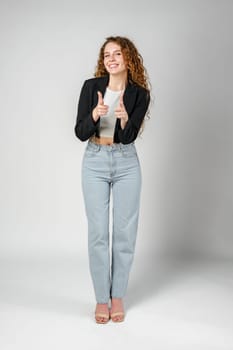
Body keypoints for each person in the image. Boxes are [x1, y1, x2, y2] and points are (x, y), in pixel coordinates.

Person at [74, 36, 151, 324]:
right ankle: (101, 300)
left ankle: (117, 295)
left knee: (124, 233)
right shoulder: (91, 87)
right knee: (98, 234)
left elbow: (129, 136)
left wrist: (122, 119)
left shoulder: (139, 94)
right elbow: (80, 132)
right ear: (102, 60)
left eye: (117, 53)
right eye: (107, 54)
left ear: (128, 58)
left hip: (126, 163)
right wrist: (96, 113)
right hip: (94, 160)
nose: (111, 58)